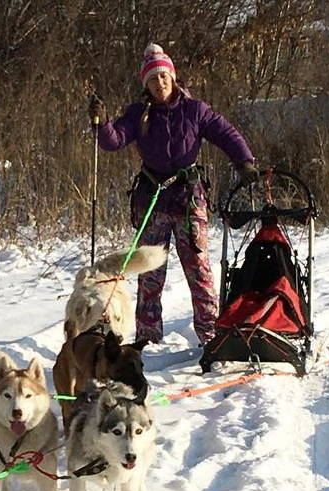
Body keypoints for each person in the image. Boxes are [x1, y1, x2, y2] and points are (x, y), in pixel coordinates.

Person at [91, 43, 258, 347]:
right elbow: (114, 141)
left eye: (164, 76)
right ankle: (147, 339)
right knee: (149, 272)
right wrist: (102, 124)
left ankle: (211, 336)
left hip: (188, 198)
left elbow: (226, 133)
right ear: (147, 85)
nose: (160, 83)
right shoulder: (139, 113)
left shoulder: (195, 110)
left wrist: (244, 162)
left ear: (173, 75)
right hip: (151, 199)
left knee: (199, 271)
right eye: (153, 80)